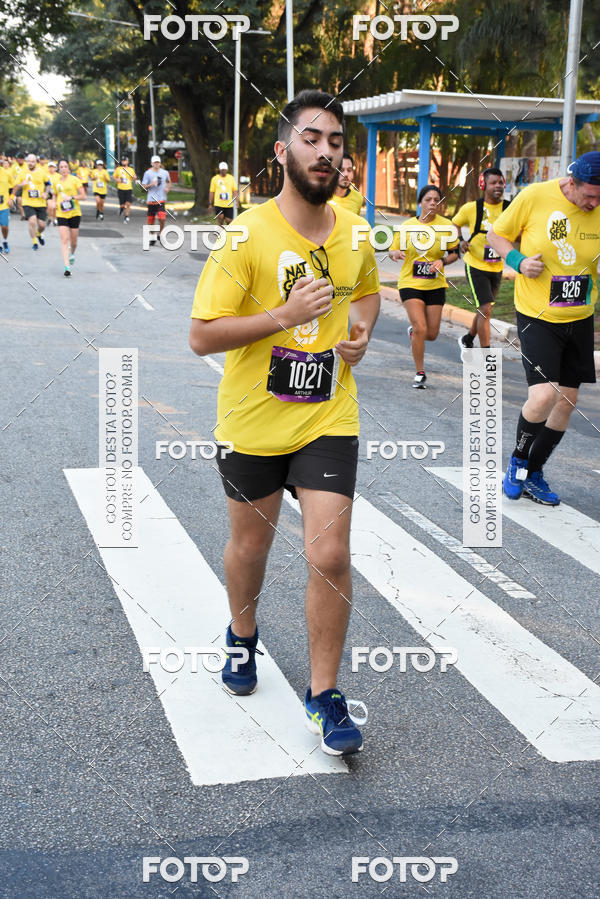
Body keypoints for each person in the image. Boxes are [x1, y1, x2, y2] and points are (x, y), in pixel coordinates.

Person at [189, 89, 380, 756]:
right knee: (252, 545)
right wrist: (284, 316)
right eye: (311, 138)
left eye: (335, 142)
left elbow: (368, 295)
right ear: (282, 150)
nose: (325, 151)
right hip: (253, 420)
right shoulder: (245, 235)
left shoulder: (355, 231)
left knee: (329, 552)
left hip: (328, 414)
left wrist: (359, 333)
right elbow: (201, 336)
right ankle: (242, 634)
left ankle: (324, 694)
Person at [487, 151, 600, 506]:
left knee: (567, 401)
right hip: (537, 314)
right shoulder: (535, 196)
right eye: (590, 196)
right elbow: (495, 235)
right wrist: (518, 261)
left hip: (579, 316)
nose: (594, 203)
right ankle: (518, 462)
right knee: (543, 396)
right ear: (572, 183)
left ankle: (533, 472)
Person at [388, 184, 460, 388]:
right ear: (420, 203)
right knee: (421, 327)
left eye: (436, 200)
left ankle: (415, 334)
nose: (432, 203)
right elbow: (392, 250)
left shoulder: (446, 225)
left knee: (432, 334)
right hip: (410, 283)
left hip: (435, 284)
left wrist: (442, 261)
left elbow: (455, 253)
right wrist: (395, 253)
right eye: (428, 199)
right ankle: (419, 373)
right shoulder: (407, 226)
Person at [452, 167, 510, 356]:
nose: (498, 186)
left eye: (501, 182)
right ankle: (486, 356)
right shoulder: (471, 208)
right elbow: (454, 223)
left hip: (497, 266)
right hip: (475, 264)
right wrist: (460, 241)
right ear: (483, 185)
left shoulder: (509, 208)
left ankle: (467, 339)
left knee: (485, 309)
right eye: (493, 183)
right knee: (485, 308)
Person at [55, 159, 85, 277]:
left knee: (73, 241)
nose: (63, 169)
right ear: (59, 169)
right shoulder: (56, 181)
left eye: (65, 166)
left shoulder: (75, 180)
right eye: (61, 167)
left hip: (74, 213)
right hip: (61, 213)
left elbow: (83, 196)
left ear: (69, 168)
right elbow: (54, 195)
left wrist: (71, 197)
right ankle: (67, 267)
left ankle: (72, 253)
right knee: (64, 240)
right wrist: (52, 203)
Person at [13, 153, 49, 250]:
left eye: (32, 161)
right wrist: (22, 184)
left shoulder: (42, 172)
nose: (30, 163)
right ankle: (35, 243)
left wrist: (46, 193)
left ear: (36, 162)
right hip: (28, 202)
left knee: (42, 225)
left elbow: (48, 184)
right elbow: (15, 185)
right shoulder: (23, 172)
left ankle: (38, 233)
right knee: (32, 221)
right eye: (29, 161)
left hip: (40, 202)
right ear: (27, 161)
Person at [142, 154, 171, 245]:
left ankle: (160, 234)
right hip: (151, 200)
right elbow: (143, 186)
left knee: (162, 218)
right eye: (155, 162)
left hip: (161, 199)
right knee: (151, 220)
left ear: (160, 163)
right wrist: (151, 184)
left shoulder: (165, 173)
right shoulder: (148, 173)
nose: (156, 164)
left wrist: (167, 188)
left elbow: (169, 181)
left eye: (158, 162)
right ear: (152, 163)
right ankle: (152, 237)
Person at [208, 161, 237, 226]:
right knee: (220, 218)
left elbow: (234, 190)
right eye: (222, 170)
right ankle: (220, 230)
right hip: (218, 203)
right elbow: (211, 191)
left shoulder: (231, 178)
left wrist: (236, 201)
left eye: (225, 170)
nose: (224, 171)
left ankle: (227, 231)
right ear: (220, 170)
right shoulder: (215, 179)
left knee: (229, 220)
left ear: (227, 170)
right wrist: (210, 204)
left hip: (229, 204)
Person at [113, 155, 136, 222]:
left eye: (125, 161)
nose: (124, 162)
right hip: (121, 189)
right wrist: (117, 179)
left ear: (128, 162)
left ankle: (126, 216)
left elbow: (133, 177)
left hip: (128, 188)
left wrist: (134, 178)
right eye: (123, 161)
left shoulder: (131, 169)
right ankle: (121, 209)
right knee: (122, 205)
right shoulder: (118, 169)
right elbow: (114, 176)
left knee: (128, 204)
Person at [0, 158, 13, 253]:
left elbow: (13, 186)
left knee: (4, 226)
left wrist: (11, 198)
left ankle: (4, 241)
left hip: (4, 204)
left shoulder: (6, 173)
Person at [10, 152, 27, 220]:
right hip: (18, 186)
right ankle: (23, 215)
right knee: (19, 201)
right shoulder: (14, 166)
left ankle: (28, 214)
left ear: (23, 159)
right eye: (17, 159)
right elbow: (11, 175)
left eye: (19, 159)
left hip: (26, 186)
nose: (18, 160)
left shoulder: (27, 165)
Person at [45, 161, 60, 226]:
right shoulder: (46, 175)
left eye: (53, 167)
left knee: (55, 207)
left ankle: (55, 219)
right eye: (50, 167)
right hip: (49, 192)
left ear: (55, 168)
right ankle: (49, 218)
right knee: (50, 206)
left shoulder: (58, 176)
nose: (51, 168)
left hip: (56, 192)